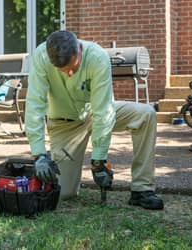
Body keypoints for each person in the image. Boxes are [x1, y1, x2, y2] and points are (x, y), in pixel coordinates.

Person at [25, 30, 164, 210]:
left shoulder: (97, 57)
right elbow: (35, 104)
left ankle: (142, 189)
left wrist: (99, 161)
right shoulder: (41, 57)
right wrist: (39, 155)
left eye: (73, 68)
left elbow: (103, 112)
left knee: (145, 114)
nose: (69, 73)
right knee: (64, 193)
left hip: (94, 112)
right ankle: (63, 179)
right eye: (63, 70)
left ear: (80, 50)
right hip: (63, 124)